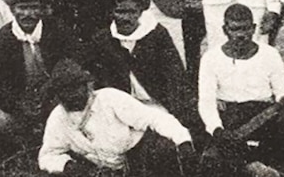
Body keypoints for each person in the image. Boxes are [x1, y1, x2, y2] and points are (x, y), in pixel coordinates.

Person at [38, 59, 197, 176]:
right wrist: (68, 166)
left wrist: (182, 141)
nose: (71, 96)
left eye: (75, 88)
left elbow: (155, 118)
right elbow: (47, 155)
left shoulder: (109, 98)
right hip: (104, 170)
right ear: (57, 95)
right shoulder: (57, 119)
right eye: (64, 91)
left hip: (139, 155)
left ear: (87, 86)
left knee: (163, 148)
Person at [80, 0, 199, 132]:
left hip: (155, 104)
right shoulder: (103, 39)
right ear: (112, 13)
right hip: (120, 107)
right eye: (120, 12)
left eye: (132, 12)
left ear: (140, 13)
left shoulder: (157, 35)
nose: (126, 18)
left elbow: (175, 76)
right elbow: (85, 69)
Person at [199, 4, 284, 172]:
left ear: (253, 28)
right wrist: (217, 129)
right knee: (216, 159)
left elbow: (280, 90)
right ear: (225, 30)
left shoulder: (270, 54)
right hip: (230, 116)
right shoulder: (211, 58)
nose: (240, 35)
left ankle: (276, 167)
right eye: (235, 29)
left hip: (264, 113)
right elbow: (206, 102)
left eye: (245, 29)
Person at [0, 0, 75, 141]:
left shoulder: (58, 32)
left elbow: (69, 67)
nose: (28, 14)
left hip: (53, 97)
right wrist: (19, 104)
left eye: (34, 8)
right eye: (22, 8)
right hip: (18, 102)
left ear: (42, 10)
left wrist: (51, 94)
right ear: (12, 10)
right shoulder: (1, 40)